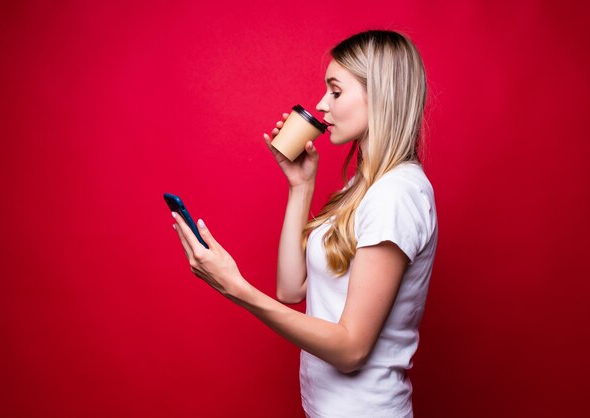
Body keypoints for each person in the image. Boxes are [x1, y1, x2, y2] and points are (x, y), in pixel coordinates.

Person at [172, 29, 438, 418]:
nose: (321, 105)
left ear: (380, 94)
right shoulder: (364, 188)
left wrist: (237, 289)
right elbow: (290, 287)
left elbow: (351, 350)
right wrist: (301, 186)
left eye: (335, 91)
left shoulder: (396, 194)